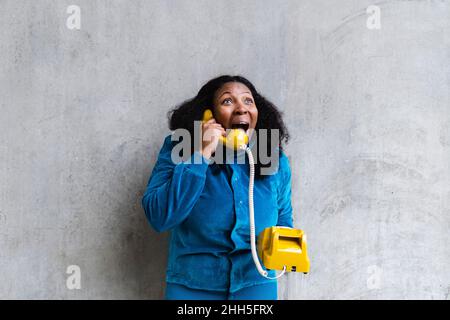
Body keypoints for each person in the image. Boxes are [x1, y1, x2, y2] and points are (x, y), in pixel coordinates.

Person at [141, 75, 293, 300]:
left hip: (256, 283)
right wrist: (201, 153)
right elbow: (159, 217)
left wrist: (286, 250)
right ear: (209, 115)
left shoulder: (272, 156)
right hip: (193, 288)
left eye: (248, 101)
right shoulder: (180, 149)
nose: (241, 108)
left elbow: (282, 213)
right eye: (228, 101)